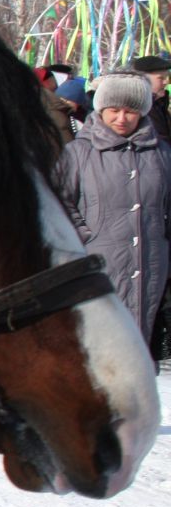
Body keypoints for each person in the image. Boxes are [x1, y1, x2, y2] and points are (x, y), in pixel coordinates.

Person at [55, 71, 171, 346]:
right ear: (101, 109)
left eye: (130, 111)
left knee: (138, 346)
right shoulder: (79, 153)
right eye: (114, 110)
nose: (121, 118)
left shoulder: (161, 154)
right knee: (98, 347)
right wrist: (87, 237)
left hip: (150, 266)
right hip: (96, 263)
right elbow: (59, 202)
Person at [131, 53, 170, 143]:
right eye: (160, 78)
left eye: (166, 78)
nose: (165, 82)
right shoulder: (136, 106)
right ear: (143, 79)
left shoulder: (159, 104)